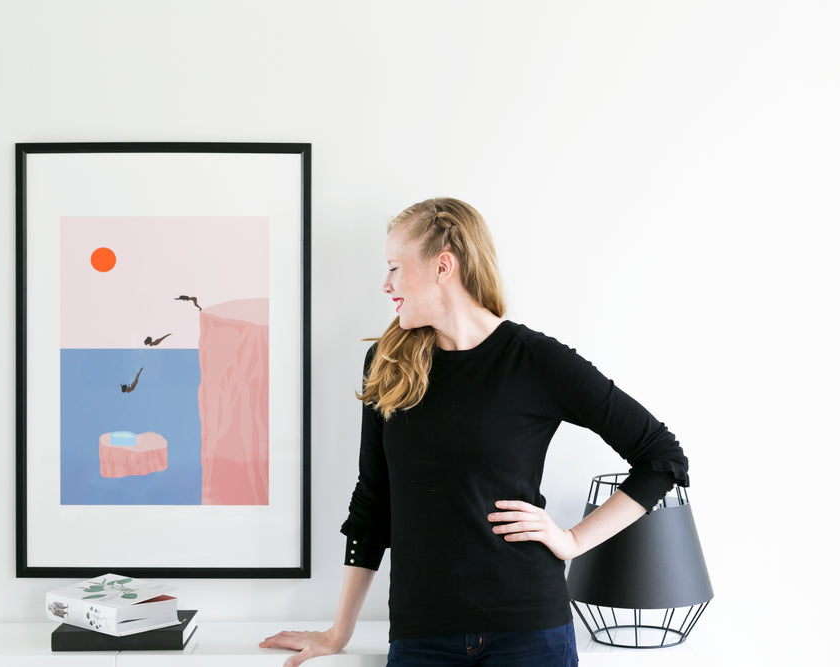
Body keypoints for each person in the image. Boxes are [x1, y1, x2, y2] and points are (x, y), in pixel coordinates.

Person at [260, 197, 689, 666]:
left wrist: (573, 541)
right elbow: (372, 503)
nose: (386, 285)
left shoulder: (537, 362)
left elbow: (661, 458)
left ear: (443, 266)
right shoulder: (387, 365)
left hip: (530, 631)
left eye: (395, 268)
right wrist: (337, 633)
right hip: (421, 634)